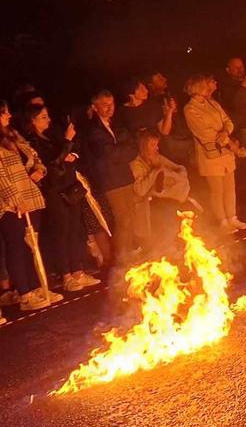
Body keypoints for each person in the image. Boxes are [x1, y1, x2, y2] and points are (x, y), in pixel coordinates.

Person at [22, 104, 99, 293]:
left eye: (48, 116)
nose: (48, 120)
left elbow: (67, 153)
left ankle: (78, 271)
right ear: (32, 120)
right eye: (43, 117)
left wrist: (71, 151)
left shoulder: (51, 136)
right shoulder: (32, 143)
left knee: (75, 229)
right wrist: (66, 142)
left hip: (70, 187)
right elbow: (52, 163)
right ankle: (66, 276)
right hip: (54, 191)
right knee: (62, 232)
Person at [0, 100, 63, 312]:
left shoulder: (13, 135)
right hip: (10, 204)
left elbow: (33, 156)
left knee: (32, 245)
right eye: (5, 112)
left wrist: (39, 170)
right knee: (16, 247)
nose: (9, 116)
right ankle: (24, 293)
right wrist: (16, 200)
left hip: (30, 195)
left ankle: (37, 287)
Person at [183, 75, 246, 234]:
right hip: (211, 154)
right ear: (196, 88)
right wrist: (228, 142)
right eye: (204, 85)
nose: (208, 88)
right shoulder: (190, 109)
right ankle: (223, 221)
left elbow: (228, 122)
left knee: (230, 187)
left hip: (226, 152)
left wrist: (226, 132)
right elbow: (204, 132)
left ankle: (233, 218)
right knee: (217, 189)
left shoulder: (213, 103)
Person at [85, 89, 146, 262]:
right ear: (94, 107)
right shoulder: (93, 129)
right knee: (123, 219)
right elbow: (110, 154)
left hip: (124, 177)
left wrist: (125, 150)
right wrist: (126, 150)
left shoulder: (114, 124)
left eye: (111, 104)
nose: (109, 108)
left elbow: (131, 147)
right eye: (104, 105)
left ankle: (129, 250)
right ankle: (122, 255)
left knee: (131, 217)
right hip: (111, 181)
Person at [131, 128, 197, 237]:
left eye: (157, 144)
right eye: (153, 145)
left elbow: (179, 169)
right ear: (143, 146)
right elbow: (140, 190)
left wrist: (174, 175)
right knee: (165, 216)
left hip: (169, 196)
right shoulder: (137, 164)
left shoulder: (158, 157)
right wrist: (155, 172)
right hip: (151, 203)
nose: (157, 148)